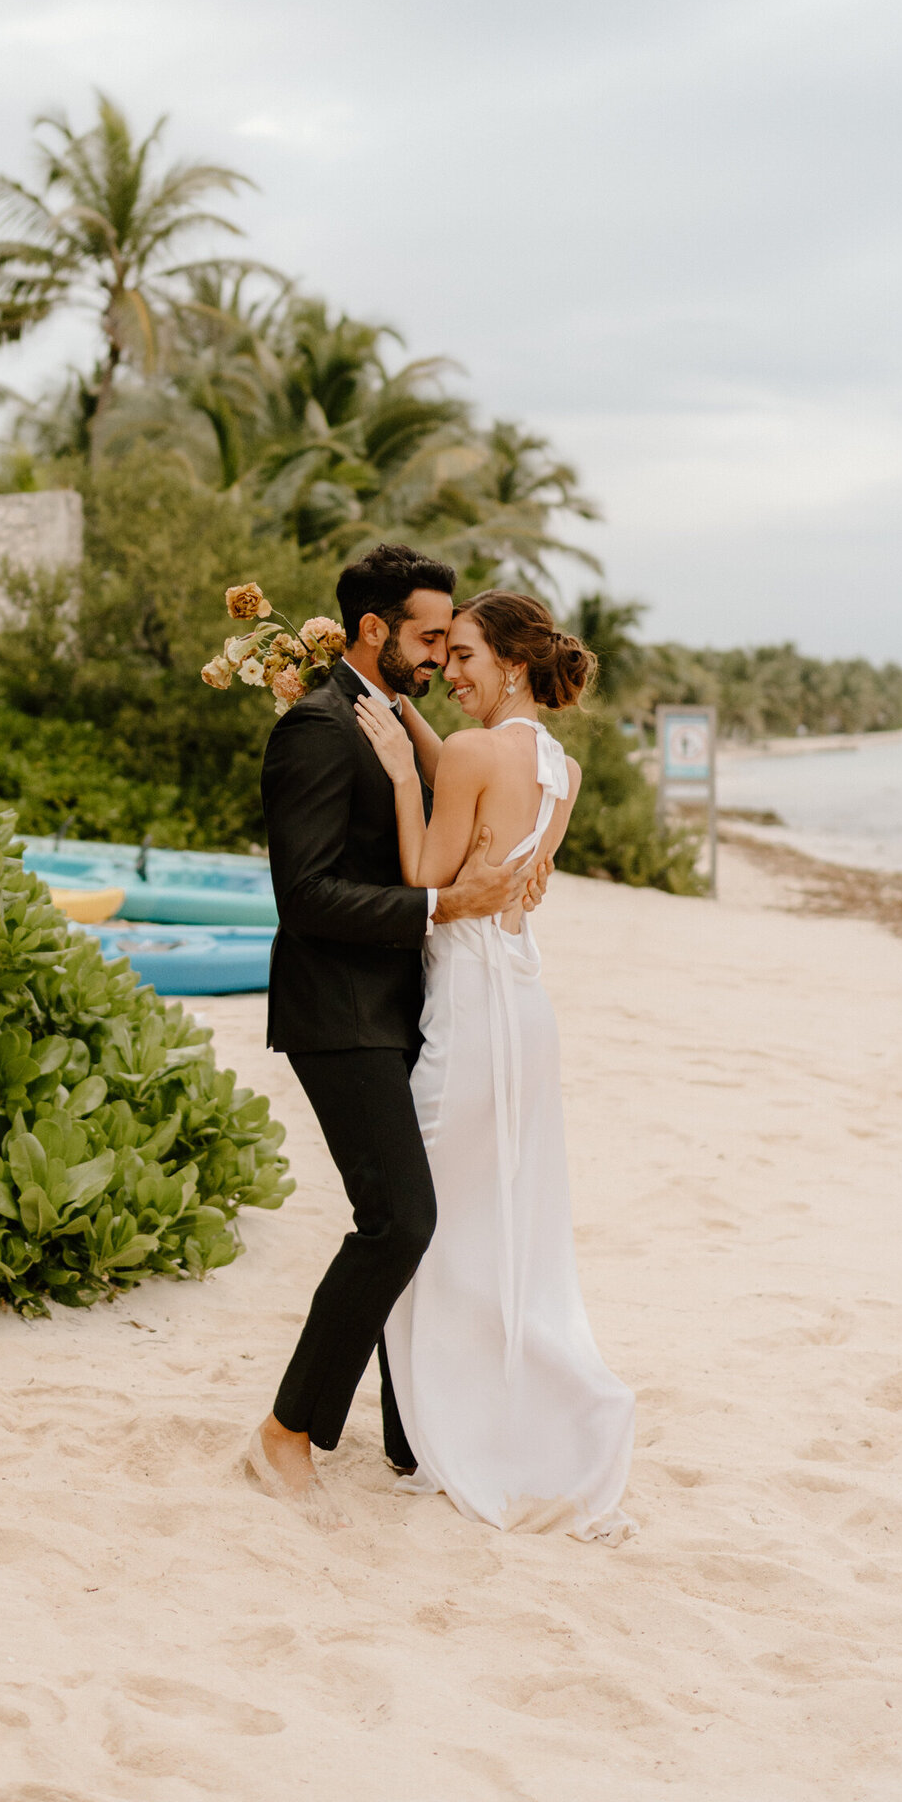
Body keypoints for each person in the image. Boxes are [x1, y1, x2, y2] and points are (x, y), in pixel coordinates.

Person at [248, 544, 541, 1524]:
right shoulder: (314, 729)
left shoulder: (397, 725)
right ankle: (286, 1431)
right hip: (337, 1017)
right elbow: (306, 896)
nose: (436, 656)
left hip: (412, 1012)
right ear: (373, 630)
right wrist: (440, 908)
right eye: (424, 637)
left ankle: (413, 1435)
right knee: (399, 1223)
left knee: (430, 1224)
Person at [353, 589, 636, 1541]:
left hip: (471, 1007)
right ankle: (499, 1406)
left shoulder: (466, 753)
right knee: (506, 1215)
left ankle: (454, 1424)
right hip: (526, 1002)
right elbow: (488, 806)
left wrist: (401, 767)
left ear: (512, 661)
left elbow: (427, 879)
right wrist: (424, 738)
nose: (452, 674)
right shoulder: (563, 768)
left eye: (467, 655)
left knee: (434, 1215)